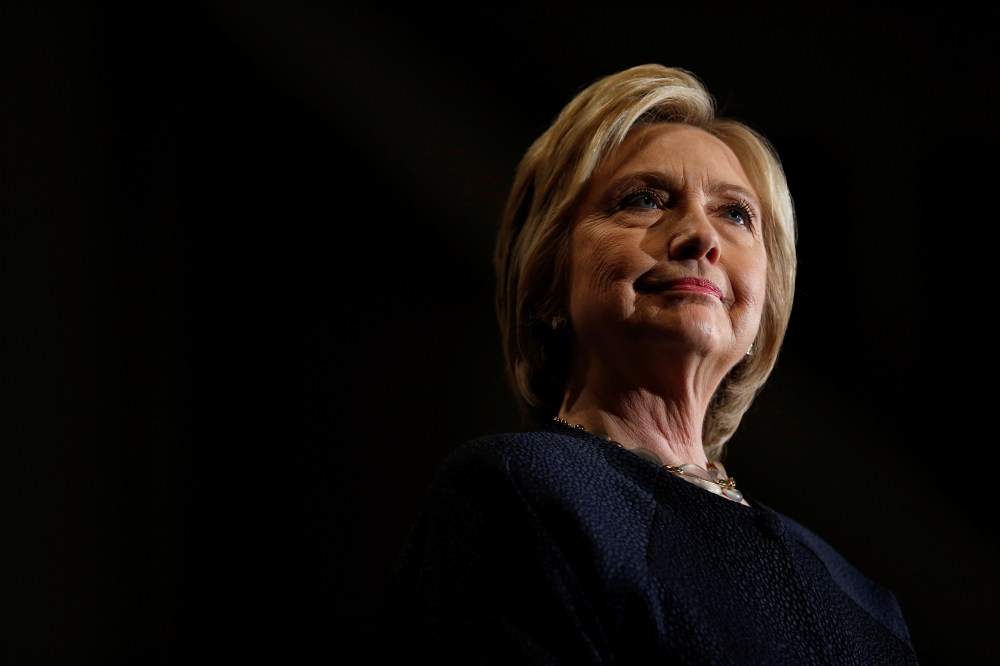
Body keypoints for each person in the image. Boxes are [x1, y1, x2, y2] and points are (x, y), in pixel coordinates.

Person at [381, 63, 918, 664]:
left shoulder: (866, 601)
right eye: (644, 201)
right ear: (550, 279)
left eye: (736, 214)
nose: (700, 236)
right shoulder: (519, 492)